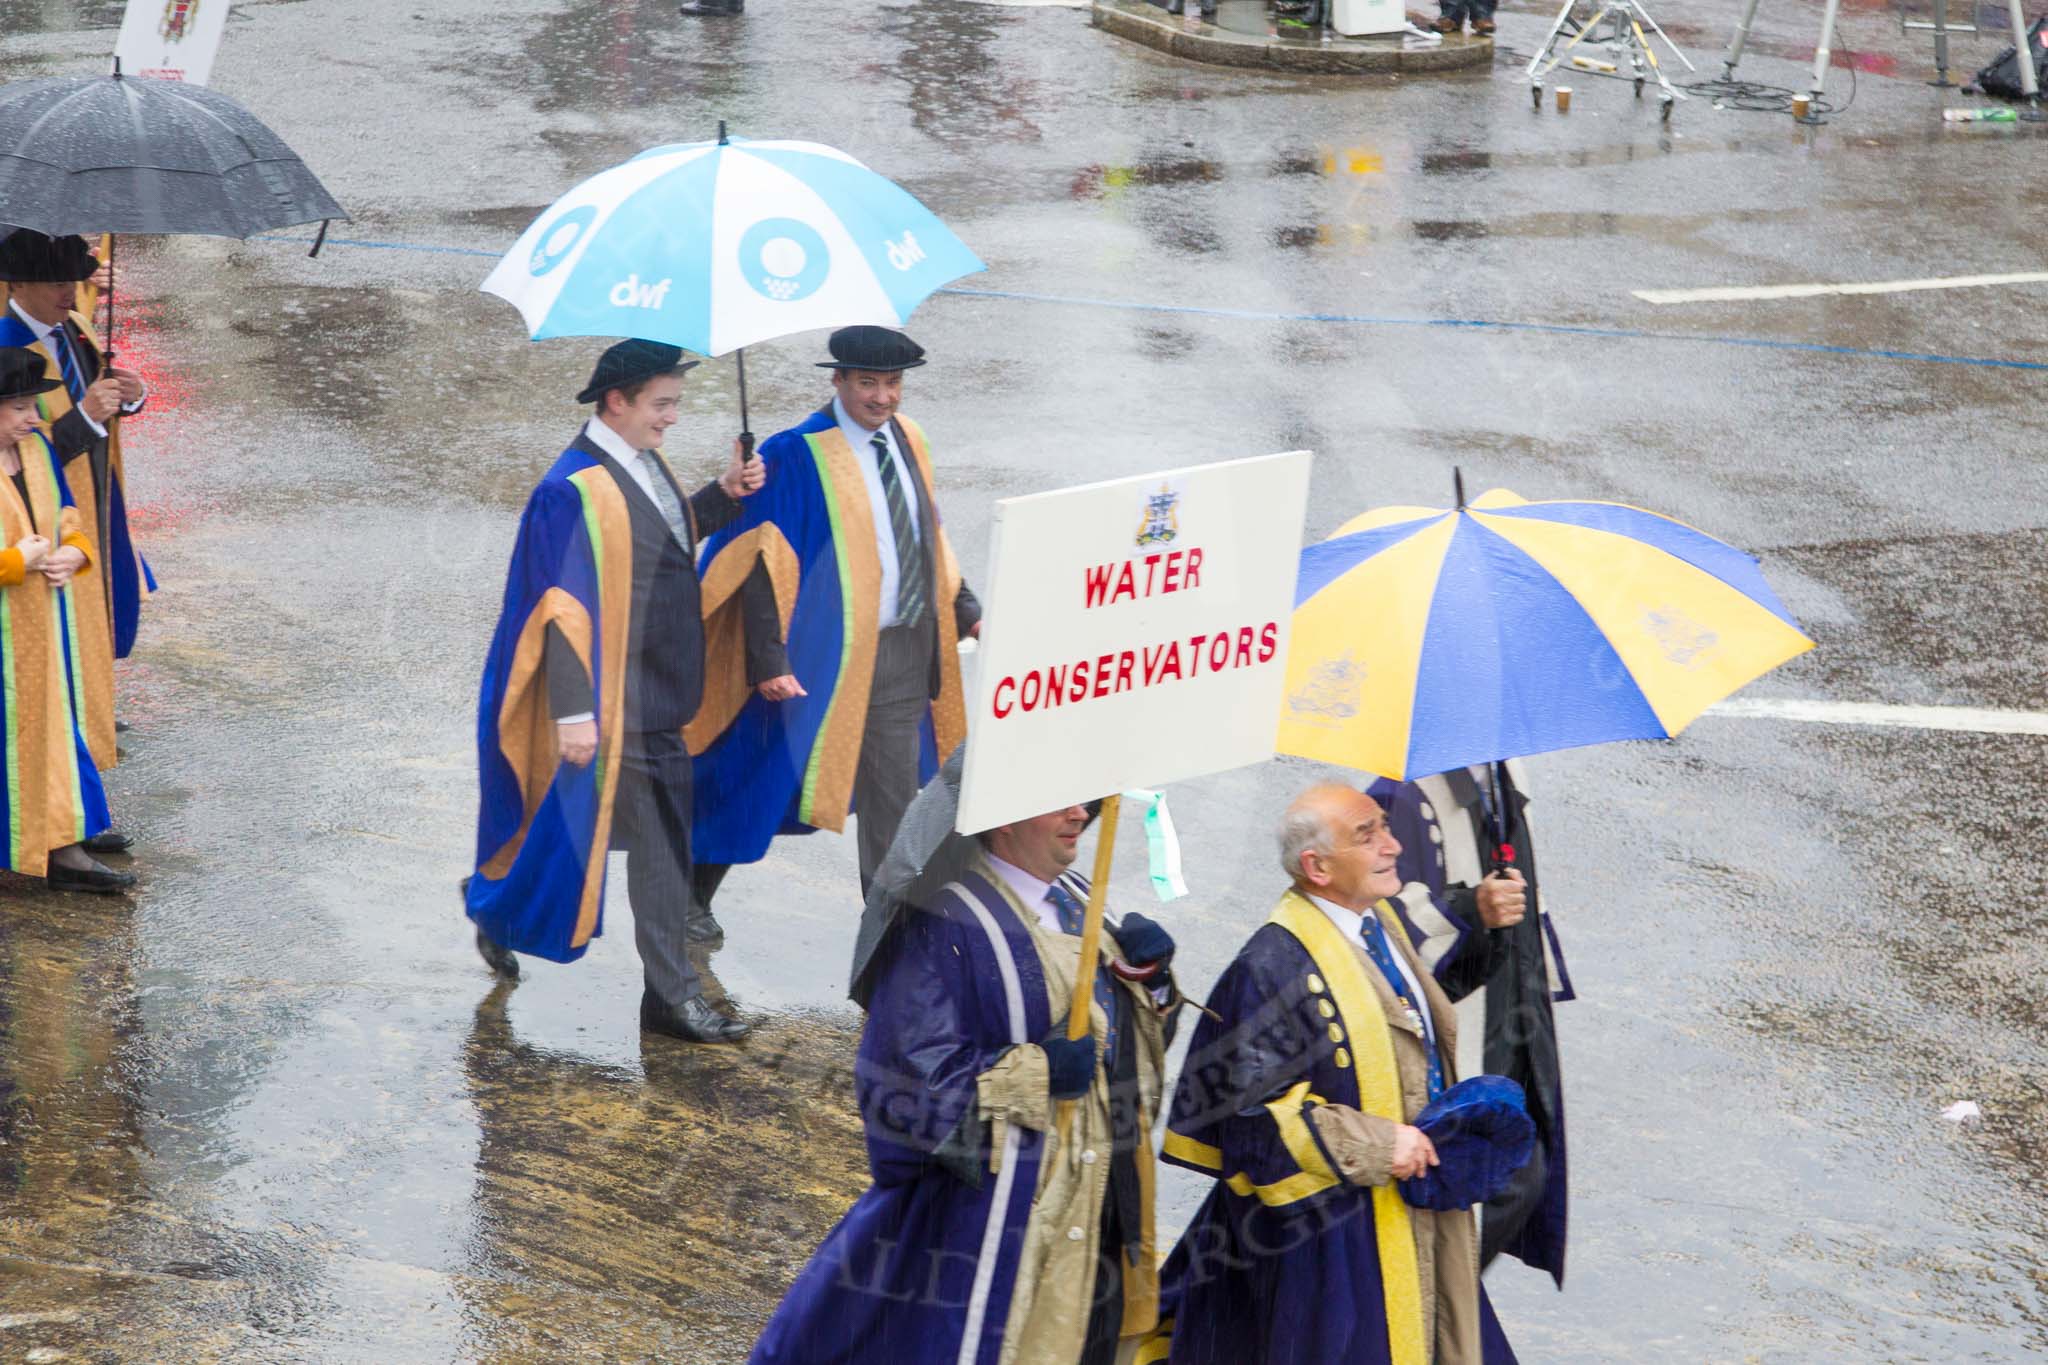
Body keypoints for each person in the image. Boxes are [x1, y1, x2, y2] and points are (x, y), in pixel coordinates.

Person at [751, 802, 1181, 1365]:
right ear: (1006, 815)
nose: (1081, 812)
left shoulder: (1082, 898)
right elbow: (898, 1089)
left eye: (1085, 798)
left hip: (1096, 1213)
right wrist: (1036, 1073)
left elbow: (1122, 1058)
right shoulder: (942, 924)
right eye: (1060, 801)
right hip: (986, 1232)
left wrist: (1152, 987)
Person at [1147, 783, 1515, 1364]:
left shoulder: (1380, 923)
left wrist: (1487, 923)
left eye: (1385, 829)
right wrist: (1380, 1142)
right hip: (1329, 1252)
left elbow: (1408, 1016)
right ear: (1317, 866)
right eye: (1367, 836)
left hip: (1412, 1217)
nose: (1393, 845)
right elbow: (1246, 1118)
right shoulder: (1269, 968)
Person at [463, 339, 763, 1045]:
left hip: (659, 696)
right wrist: (573, 711)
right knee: (650, 845)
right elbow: (556, 608)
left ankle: (493, 906)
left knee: (619, 838)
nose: (672, 419)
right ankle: (673, 998)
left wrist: (723, 493)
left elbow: (658, 541)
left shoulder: (638, 461)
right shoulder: (567, 489)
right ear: (616, 402)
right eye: (662, 405)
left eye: (676, 404)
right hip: (613, 703)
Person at [689, 325, 981, 938]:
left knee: (895, 797)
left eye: (894, 383)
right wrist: (767, 660)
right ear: (838, 380)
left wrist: (965, 607)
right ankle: (693, 891)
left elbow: (929, 537)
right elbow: (761, 557)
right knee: (764, 772)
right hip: (820, 654)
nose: (883, 397)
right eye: (868, 383)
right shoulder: (794, 452)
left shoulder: (910, 440)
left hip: (902, 649)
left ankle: (888, 932)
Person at [1374, 762, 1571, 1284]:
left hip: (1491, 1020)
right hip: (1430, 1047)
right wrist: (1470, 909)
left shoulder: (1502, 779)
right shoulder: (1400, 793)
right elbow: (1383, 935)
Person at [0, 230, 149, 816]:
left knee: (96, 634)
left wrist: (129, 396)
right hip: (42, 519)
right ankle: (69, 804)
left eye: (73, 280)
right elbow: (23, 452)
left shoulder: (76, 331)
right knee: (61, 653)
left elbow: (103, 402)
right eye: (57, 282)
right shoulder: (7, 351)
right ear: (18, 284)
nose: (71, 292)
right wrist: (86, 416)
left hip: (93, 502)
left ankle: (81, 785)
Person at [0, 347, 133, 893]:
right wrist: (16, 562)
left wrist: (75, 552)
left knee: (52, 729)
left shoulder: (34, 453)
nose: (34, 418)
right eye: (19, 408)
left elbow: (70, 517)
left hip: (38, 629)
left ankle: (62, 837)